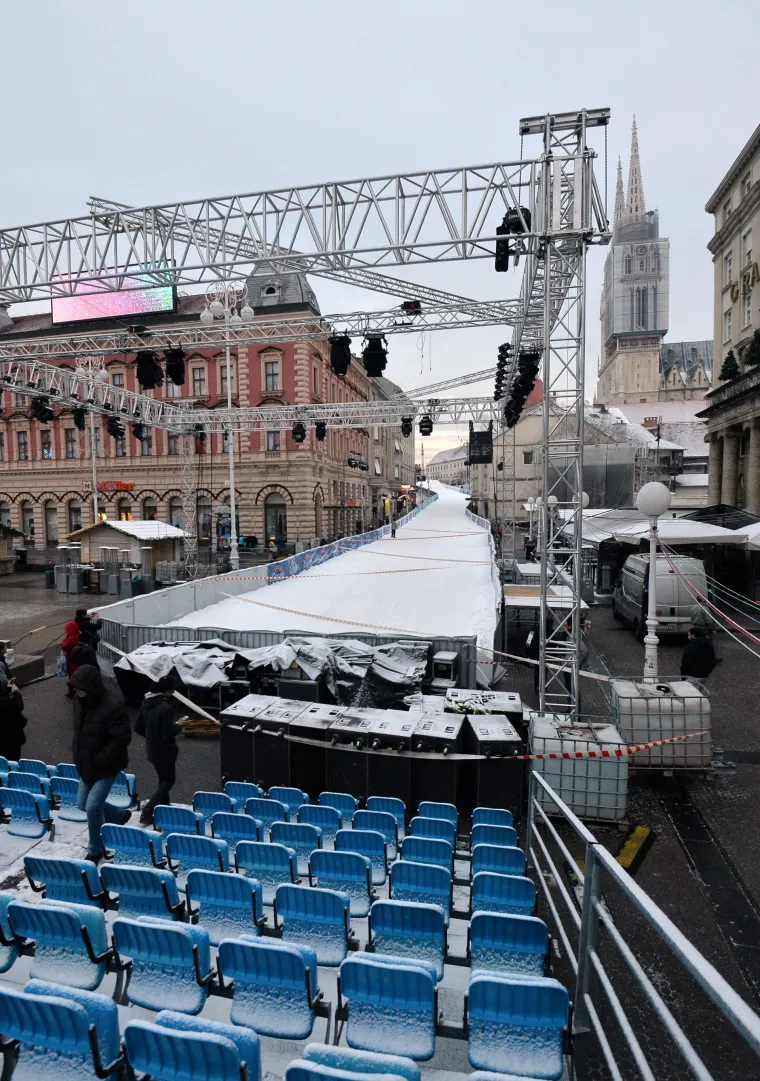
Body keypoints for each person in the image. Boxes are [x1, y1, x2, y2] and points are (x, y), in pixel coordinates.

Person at [68, 664, 131, 862]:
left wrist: (99, 760)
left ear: (91, 687)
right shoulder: (79, 701)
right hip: (86, 763)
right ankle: (119, 816)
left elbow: (122, 739)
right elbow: (80, 732)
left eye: (80, 687)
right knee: (81, 804)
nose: (76, 691)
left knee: (92, 808)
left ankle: (95, 849)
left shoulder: (113, 705)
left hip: (106, 765)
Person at [135, 675, 185, 825]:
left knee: (163, 779)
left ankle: (163, 806)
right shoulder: (166, 708)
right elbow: (166, 733)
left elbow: (138, 727)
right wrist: (179, 726)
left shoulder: (146, 703)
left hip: (152, 749)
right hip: (165, 750)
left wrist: (151, 736)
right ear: (168, 690)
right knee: (169, 780)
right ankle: (149, 809)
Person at [0, 673, 27, 763]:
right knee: (13, 759)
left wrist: (8, 688)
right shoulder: (6, 702)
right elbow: (18, 706)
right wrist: (15, 693)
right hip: (11, 738)